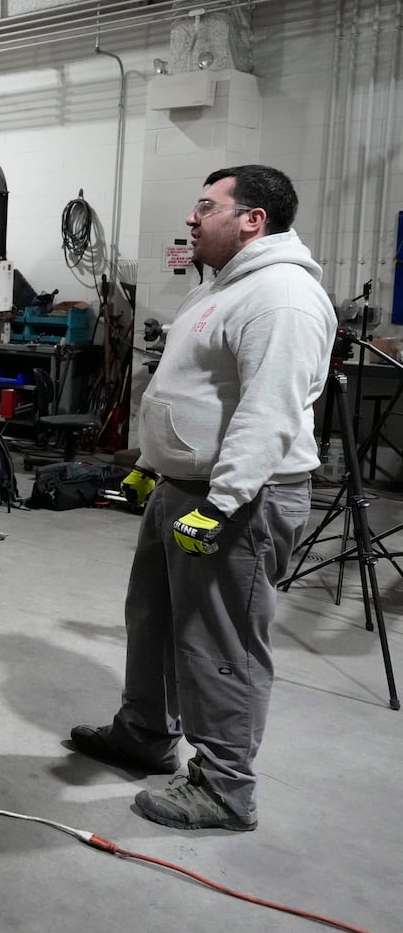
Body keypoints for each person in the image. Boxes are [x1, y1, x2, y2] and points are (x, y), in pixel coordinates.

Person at [72, 165, 337, 832]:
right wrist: (153, 463)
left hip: (240, 501)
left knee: (219, 641)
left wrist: (222, 503)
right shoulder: (225, 286)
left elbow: (269, 410)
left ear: (253, 219)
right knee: (153, 619)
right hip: (182, 486)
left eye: (206, 207)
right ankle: (146, 733)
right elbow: (193, 386)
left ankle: (225, 788)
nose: (192, 219)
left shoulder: (281, 296)